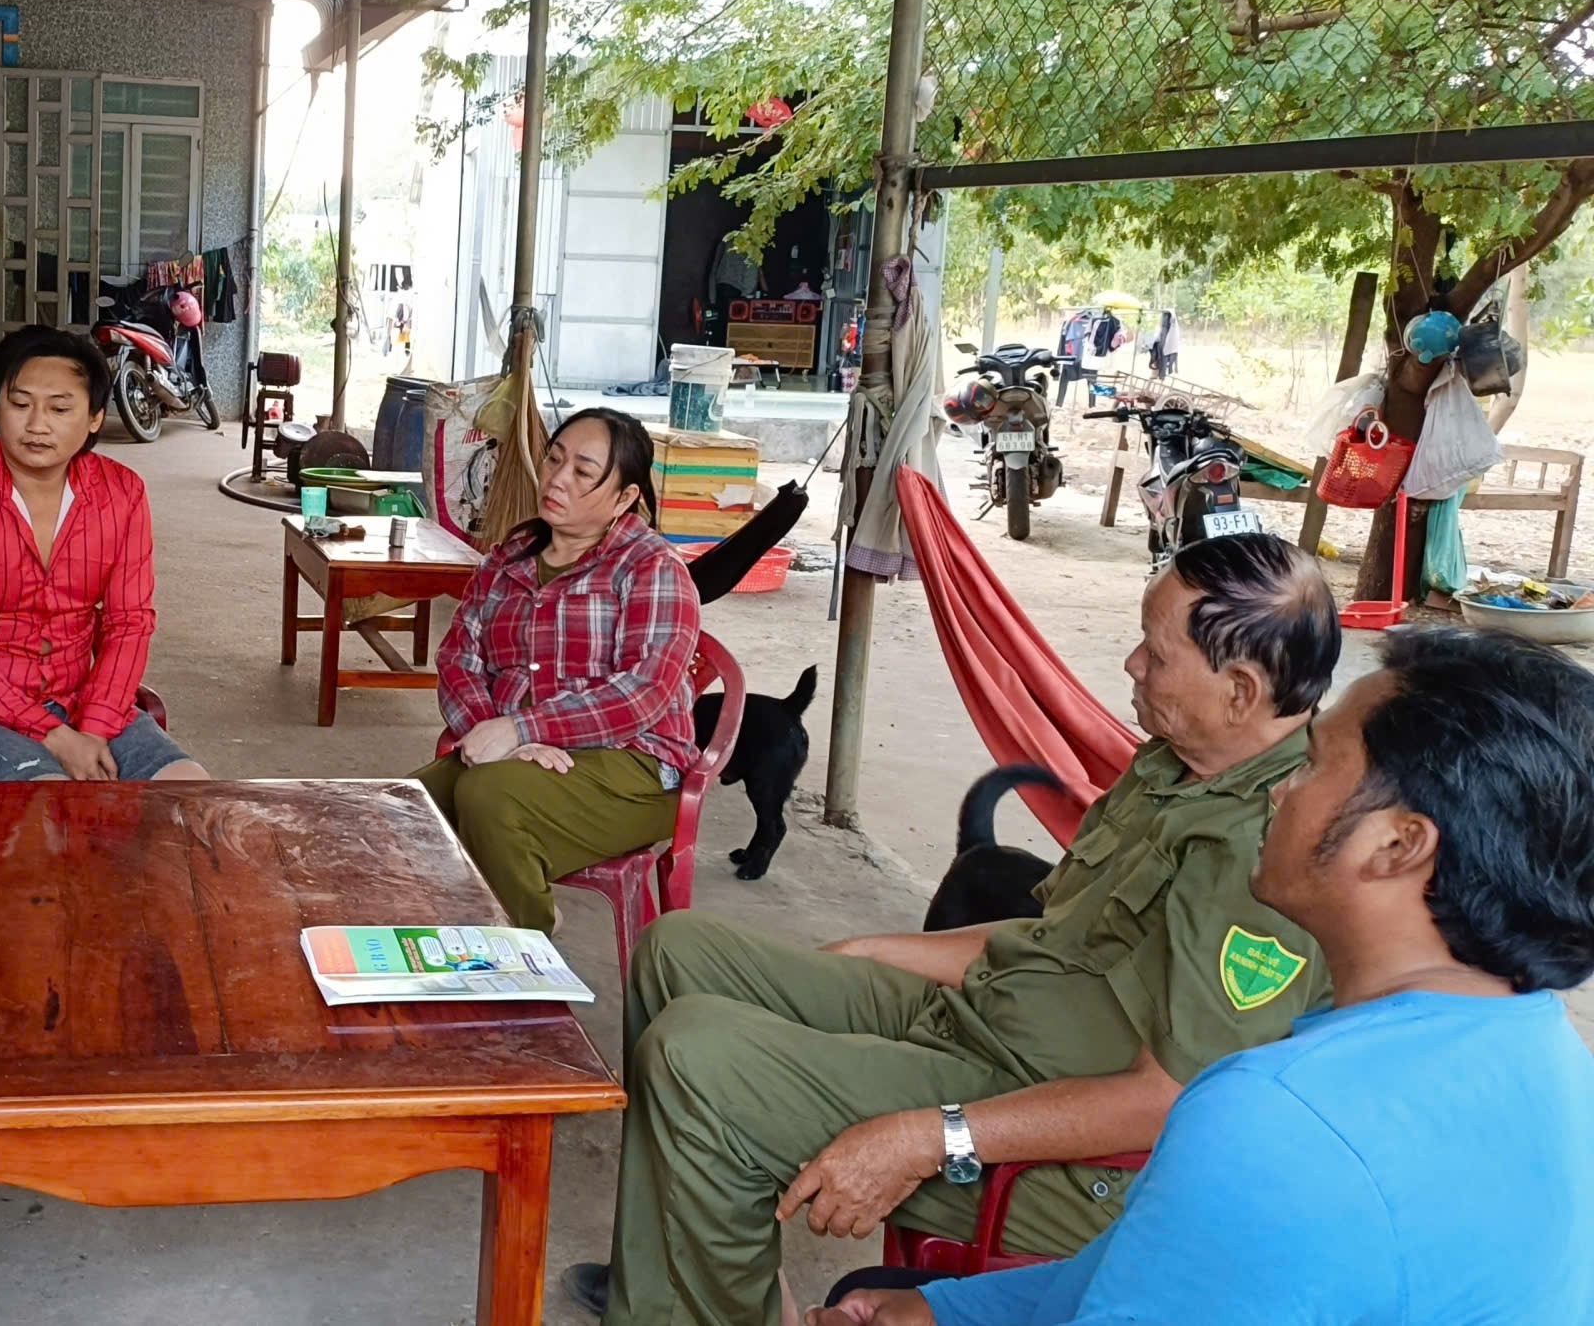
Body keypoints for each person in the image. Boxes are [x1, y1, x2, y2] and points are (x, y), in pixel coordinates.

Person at [569, 532, 1340, 1326]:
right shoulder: (1176, 763)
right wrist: (873, 950)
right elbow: (1058, 938)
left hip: (1057, 1145)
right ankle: (662, 1285)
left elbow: (1166, 1101)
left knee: (698, 1058)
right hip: (980, 1021)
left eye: (1157, 652)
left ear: (1240, 691)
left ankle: (699, 1303)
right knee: (679, 952)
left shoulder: (1269, 842)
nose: (1132, 664)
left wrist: (932, 1137)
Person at [815, 625, 1594, 1325]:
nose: (1279, 788)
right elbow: (1126, 1272)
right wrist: (944, 1310)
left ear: (1396, 846)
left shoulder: (1277, 1113)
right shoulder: (1550, 1056)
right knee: (883, 1289)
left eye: (1313, 765)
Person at [412, 408, 703, 933]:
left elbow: (642, 693)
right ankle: (494, 919)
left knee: (488, 798)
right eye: (554, 459)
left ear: (624, 497)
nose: (558, 479)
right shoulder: (509, 558)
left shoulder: (652, 568)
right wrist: (492, 736)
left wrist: (524, 728)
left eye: (583, 471)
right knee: (401, 811)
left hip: (634, 765)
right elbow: (459, 658)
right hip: (516, 752)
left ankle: (526, 955)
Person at [0, 326, 208, 782]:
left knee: (192, 795)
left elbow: (129, 623)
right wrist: (55, 736)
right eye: (20, 404)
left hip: (83, 702)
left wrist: (96, 727)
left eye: (60, 409)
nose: (37, 425)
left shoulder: (121, 494)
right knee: (53, 806)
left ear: (95, 417)